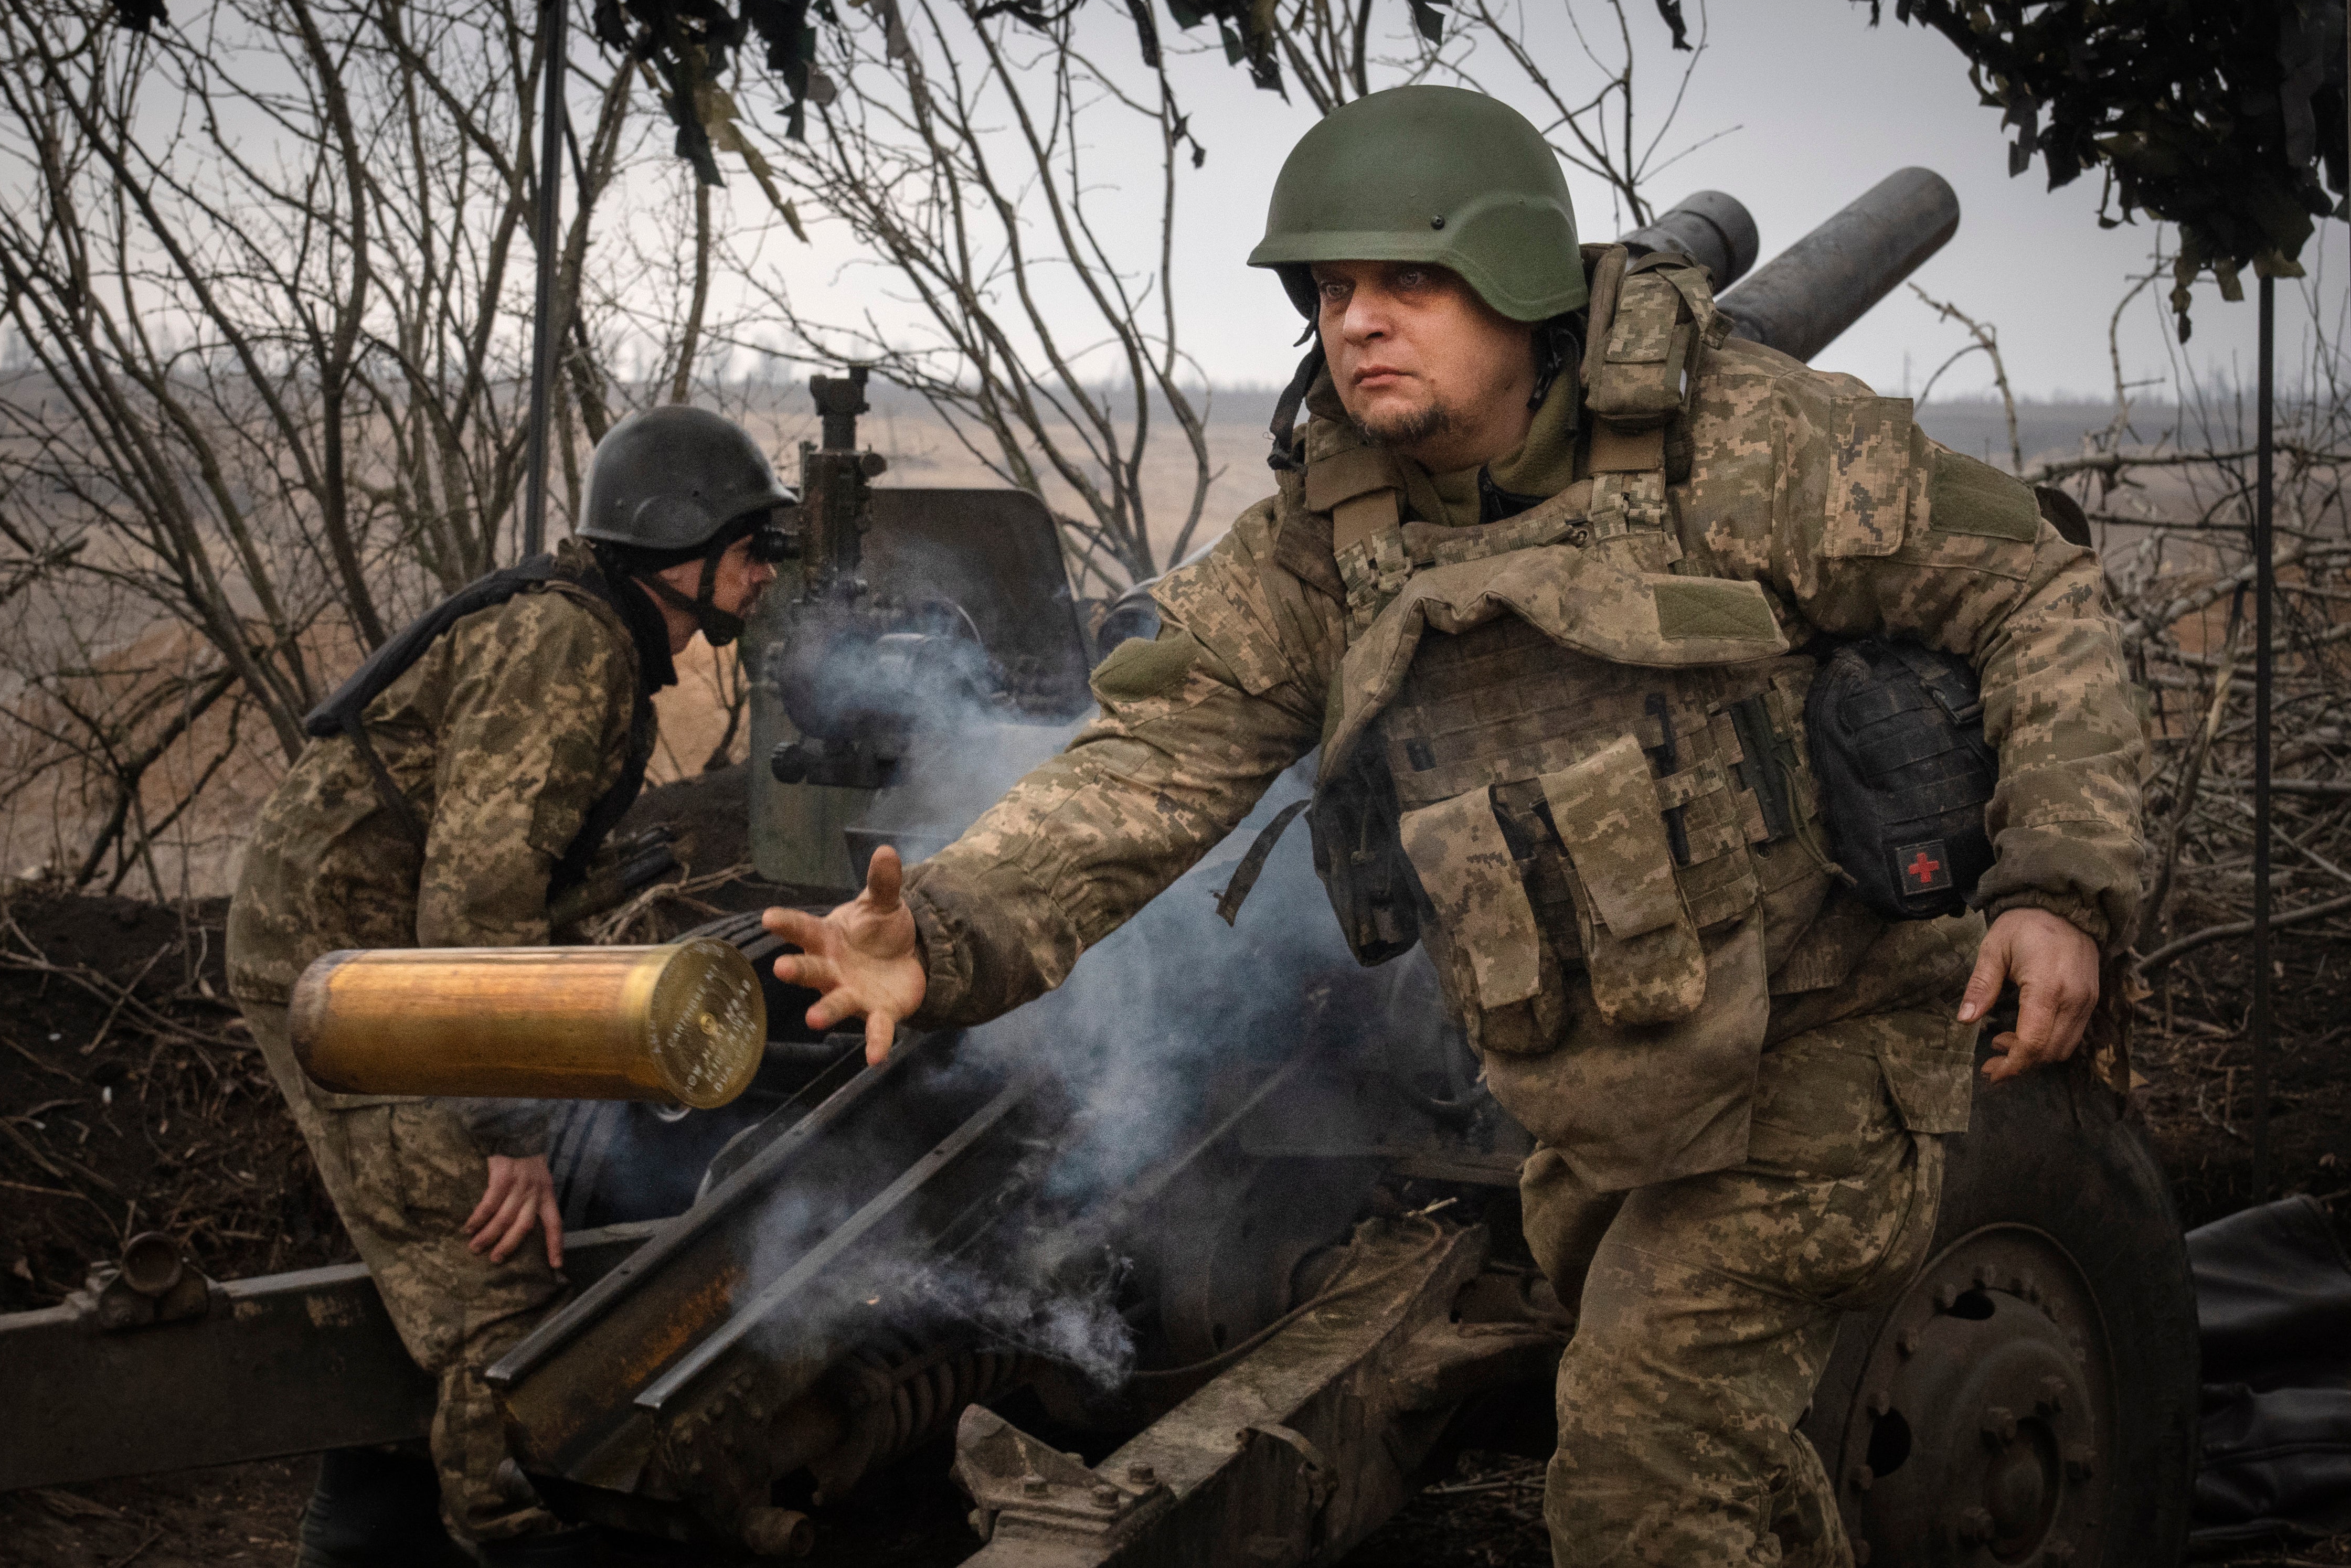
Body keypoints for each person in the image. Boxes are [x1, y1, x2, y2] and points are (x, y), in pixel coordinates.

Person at [763, 86, 2144, 1565]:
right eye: (1332, 289)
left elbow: (2031, 592)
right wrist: (952, 930)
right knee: (1717, 1463)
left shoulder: (1746, 446)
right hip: (1601, 1086)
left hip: (1823, 1048)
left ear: (1519, 285)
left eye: (1408, 282)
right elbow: (1151, 759)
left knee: (1642, 1458)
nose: (1357, 321)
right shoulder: (1326, 538)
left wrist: (2059, 879)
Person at [227, 406, 791, 1568]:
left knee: (450, 1265)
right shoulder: (569, 644)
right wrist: (511, 1129)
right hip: (351, 981)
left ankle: (368, 1537)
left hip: (388, 966)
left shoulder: (586, 633)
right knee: (491, 1285)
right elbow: (474, 909)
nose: (763, 569)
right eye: (748, 542)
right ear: (672, 545)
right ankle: (510, 1528)